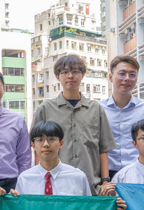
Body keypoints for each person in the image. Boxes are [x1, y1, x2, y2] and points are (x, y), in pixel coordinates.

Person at [33, 54, 116, 195]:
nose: (70, 76)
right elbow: (37, 148)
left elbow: (103, 148)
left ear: (83, 75)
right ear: (57, 77)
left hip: (91, 185)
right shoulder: (45, 109)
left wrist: (105, 181)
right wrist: (39, 180)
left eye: (75, 71)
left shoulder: (95, 109)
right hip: (56, 187)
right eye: (64, 72)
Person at [102, 55, 144, 180]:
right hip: (107, 174)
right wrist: (104, 179)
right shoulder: (99, 109)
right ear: (110, 77)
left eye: (132, 75)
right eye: (122, 74)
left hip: (140, 174)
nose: (127, 78)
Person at [0, 120, 91, 197]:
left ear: (61, 143)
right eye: (40, 140)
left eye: (51, 139)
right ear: (33, 145)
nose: (46, 144)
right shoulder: (24, 179)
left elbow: (88, 209)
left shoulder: (78, 177)